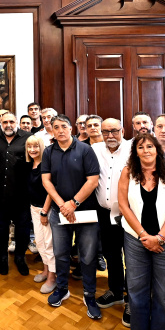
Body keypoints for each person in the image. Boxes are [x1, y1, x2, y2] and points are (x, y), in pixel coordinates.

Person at [118, 132, 165, 330]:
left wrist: (159, 237)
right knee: (137, 290)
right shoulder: (127, 173)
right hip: (135, 239)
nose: (146, 150)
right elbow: (123, 205)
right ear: (135, 152)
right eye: (141, 147)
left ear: (157, 150)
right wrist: (143, 235)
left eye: (150, 146)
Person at [40, 114, 101, 319]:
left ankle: (89, 295)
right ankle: (62, 289)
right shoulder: (49, 151)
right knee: (61, 253)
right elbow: (46, 181)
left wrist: (73, 203)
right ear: (53, 130)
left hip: (85, 211)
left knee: (88, 257)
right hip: (60, 212)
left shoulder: (85, 149)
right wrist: (62, 205)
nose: (60, 130)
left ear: (71, 128)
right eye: (56, 127)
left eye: (64, 126)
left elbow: (93, 180)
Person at [92, 118, 131, 324]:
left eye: (114, 131)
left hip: (130, 214)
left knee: (132, 257)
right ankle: (116, 291)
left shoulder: (133, 149)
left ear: (122, 130)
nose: (110, 136)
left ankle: (132, 299)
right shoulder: (95, 149)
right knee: (111, 253)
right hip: (105, 213)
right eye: (105, 132)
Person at [0, 112, 31, 276]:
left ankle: (20, 257)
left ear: (16, 122)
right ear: (0, 122)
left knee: (23, 229)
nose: (8, 125)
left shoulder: (28, 138)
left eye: (11, 121)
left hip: (22, 194)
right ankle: (2, 257)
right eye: (5, 122)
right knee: (0, 229)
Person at [25, 136, 56, 293]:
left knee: (49, 244)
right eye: (29, 147)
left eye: (36, 146)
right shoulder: (29, 165)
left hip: (46, 209)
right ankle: (45, 270)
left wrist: (44, 211)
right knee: (40, 242)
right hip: (34, 208)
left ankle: (52, 277)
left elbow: (51, 190)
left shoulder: (46, 165)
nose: (32, 150)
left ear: (41, 147)